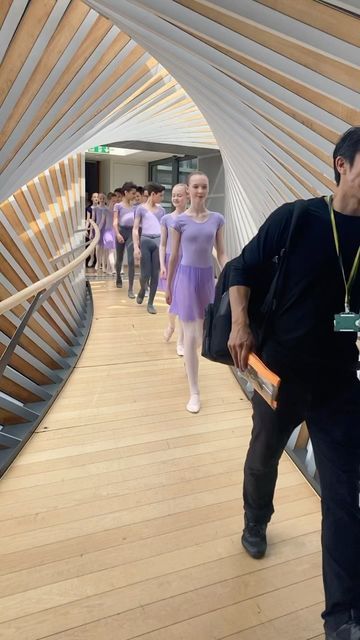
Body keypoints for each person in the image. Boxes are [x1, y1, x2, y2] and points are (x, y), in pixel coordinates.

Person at [227, 127, 360, 640]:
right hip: (279, 374)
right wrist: (240, 323)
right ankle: (256, 517)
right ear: (341, 165)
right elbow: (243, 266)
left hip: (339, 381)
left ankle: (343, 616)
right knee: (264, 454)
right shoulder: (297, 219)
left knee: (344, 494)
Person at [166, 171, 227, 413]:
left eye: (204, 186)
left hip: (206, 279)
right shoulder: (179, 222)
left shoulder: (217, 219)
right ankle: (195, 391)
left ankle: (189, 364)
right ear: (188, 190)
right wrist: (169, 286)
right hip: (186, 278)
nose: (200, 191)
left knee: (201, 335)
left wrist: (229, 274)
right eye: (196, 187)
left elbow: (221, 252)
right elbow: (174, 257)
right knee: (191, 334)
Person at [159, 183, 187, 355]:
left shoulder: (193, 218)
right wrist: (162, 265)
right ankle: (171, 324)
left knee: (183, 303)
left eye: (180, 195)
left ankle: (181, 341)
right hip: (171, 262)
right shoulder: (166, 218)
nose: (176, 198)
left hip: (187, 263)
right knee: (171, 301)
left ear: (188, 196)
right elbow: (162, 244)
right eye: (174, 195)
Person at [133, 182, 165, 314]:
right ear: (153, 194)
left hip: (158, 241)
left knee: (155, 274)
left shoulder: (162, 210)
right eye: (161, 195)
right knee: (145, 274)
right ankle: (142, 289)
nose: (162, 198)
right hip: (145, 241)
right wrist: (136, 246)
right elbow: (135, 229)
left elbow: (164, 230)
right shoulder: (140, 209)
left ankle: (151, 302)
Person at [113, 181, 137, 297]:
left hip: (131, 233)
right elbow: (115, 222)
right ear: (126, 193)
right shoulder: (118, 206)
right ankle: (118, 276)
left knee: (131, 260)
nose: (134, 195)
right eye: (132, 193)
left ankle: (131, 288)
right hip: (121, 232)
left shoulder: (135, 207)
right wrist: (117, 233)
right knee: (119, 258)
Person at [98, 192, 117, 275]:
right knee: (111, 251)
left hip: (115, 232)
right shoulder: (105, 210)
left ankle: (110, 269)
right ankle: (112, 269)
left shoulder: (117, 210)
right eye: (113, 201)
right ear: (109, 200)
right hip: (107, 232)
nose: (114, 203)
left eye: (115, 201)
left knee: (112, 251)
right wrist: (98, 231)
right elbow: (102, 222)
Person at [86, 192, 98, 267]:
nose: (96, 198)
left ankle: (98, 261)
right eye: (94, 197)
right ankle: (92, 258)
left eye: (97, 197)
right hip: (92, 228)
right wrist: (86, 229)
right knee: (92, 245)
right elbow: (88, 220)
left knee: (99, 246)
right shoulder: (89, 209)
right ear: (91, 199)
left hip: (100, 228)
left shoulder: (102, 208)